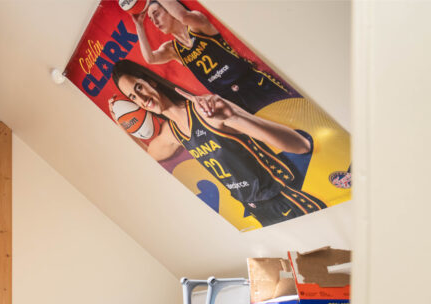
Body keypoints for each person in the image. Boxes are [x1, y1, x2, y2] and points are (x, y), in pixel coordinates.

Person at [112, 59, 326, 227]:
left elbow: (300, 146)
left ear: (151, 81)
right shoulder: (172, 133)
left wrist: (234, 117)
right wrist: (121, 125)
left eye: (139, 88)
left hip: (282, 197)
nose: (141, 99)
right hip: (257, 212)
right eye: (133, 97)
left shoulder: (205, 109)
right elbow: (148, 155)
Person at [131, 0, 292, 114]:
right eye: (151, 20)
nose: (155, 22)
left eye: (157, 14)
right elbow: (150, 59)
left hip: (253, 82)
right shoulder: (173, 49)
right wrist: (139, 25)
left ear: (169, 8)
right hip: (231, 100)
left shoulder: (197, 23)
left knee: (297, 113)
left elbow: (184, 17)